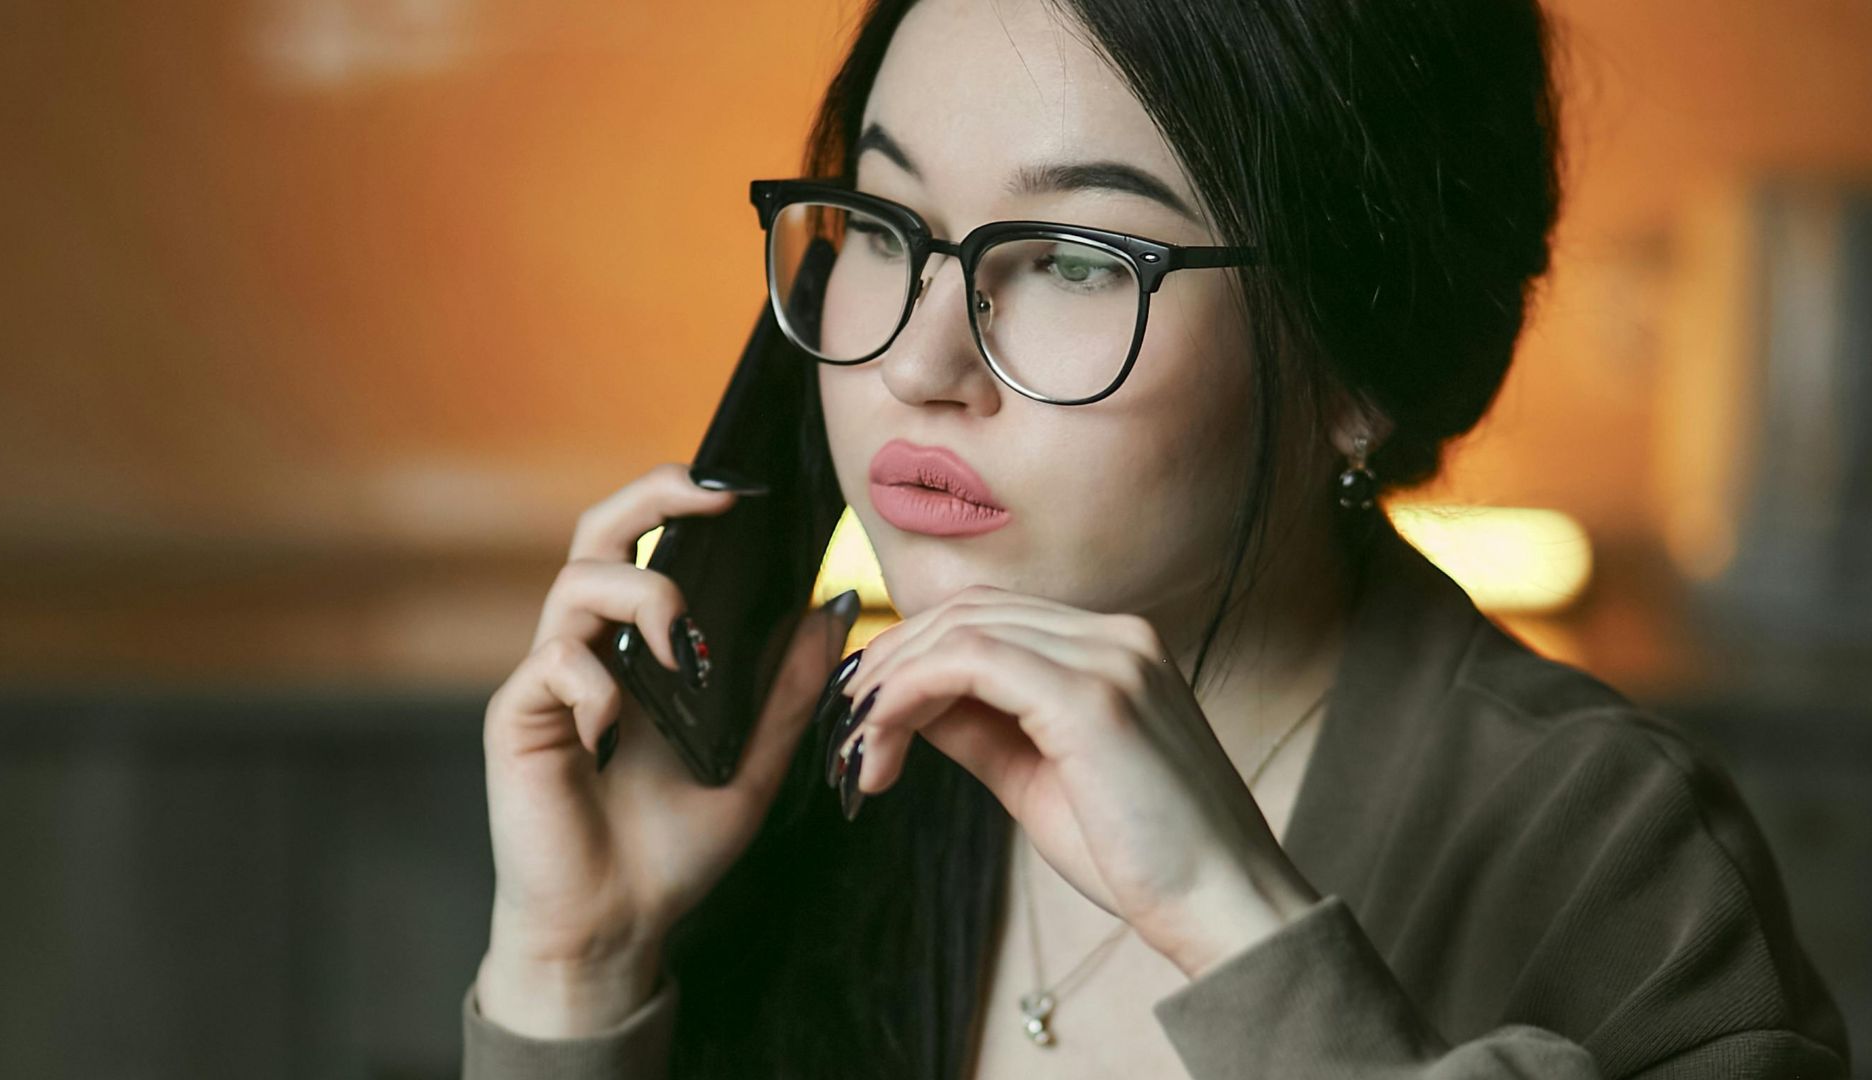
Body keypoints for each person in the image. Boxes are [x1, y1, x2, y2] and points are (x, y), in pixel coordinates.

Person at [458, 0, 1850, 1076]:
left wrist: (1236, 922)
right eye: (884, 225)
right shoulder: (819, 781)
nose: (921, 362)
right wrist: (577, 970)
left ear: (1356, 365)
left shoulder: (1612, 856)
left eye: (1075, 258)